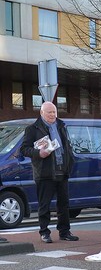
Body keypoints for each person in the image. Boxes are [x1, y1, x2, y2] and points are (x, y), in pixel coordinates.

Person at [20, 102, 79, 243]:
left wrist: (69, 159)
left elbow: (67, 145)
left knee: (63, 204)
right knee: (44, 204)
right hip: (45, 173)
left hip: (62, 170)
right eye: (49, 112)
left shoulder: (61, 125)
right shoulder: (32, 129)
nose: (52, 115)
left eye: (54, 112)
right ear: (41, 113)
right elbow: (24, 149)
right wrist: (39, 153)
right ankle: (44, 232)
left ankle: (64, 232)